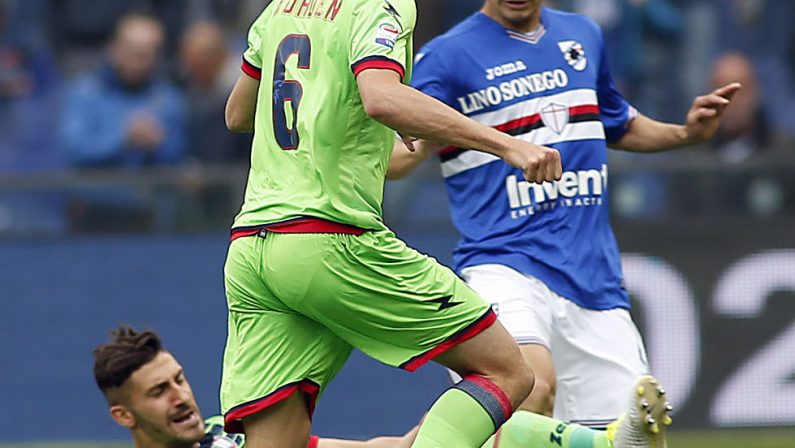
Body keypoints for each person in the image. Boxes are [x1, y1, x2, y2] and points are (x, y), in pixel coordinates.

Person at [388, 0, 738, 440]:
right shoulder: (447, 55)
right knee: (529, 388)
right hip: (504, 262)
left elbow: (617, 122)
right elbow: (403, 153)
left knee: (632, 437)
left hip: (593, 280)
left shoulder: (583, 36)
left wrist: (684, 134)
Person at [93, 326, 671, 448]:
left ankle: (610, 444)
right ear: (124, 416)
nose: (181, 397)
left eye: (179, 380)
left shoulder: (231, 440)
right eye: (159, 393)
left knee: (480, 434)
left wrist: (416, 443)